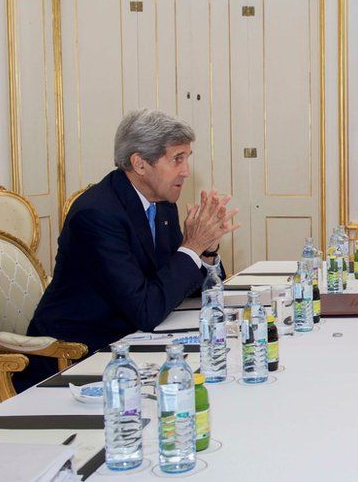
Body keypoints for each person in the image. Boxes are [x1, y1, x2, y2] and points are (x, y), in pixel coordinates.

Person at [16, 109, 239, 391]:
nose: (185, 171)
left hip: (132, 342)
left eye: (187, 159)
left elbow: (185, 290)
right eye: (177, 159)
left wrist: (206, 250)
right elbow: (146, 309)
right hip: (76, 358)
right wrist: (191, 247)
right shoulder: (97, 214)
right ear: (140, 163)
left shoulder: (161, 203)